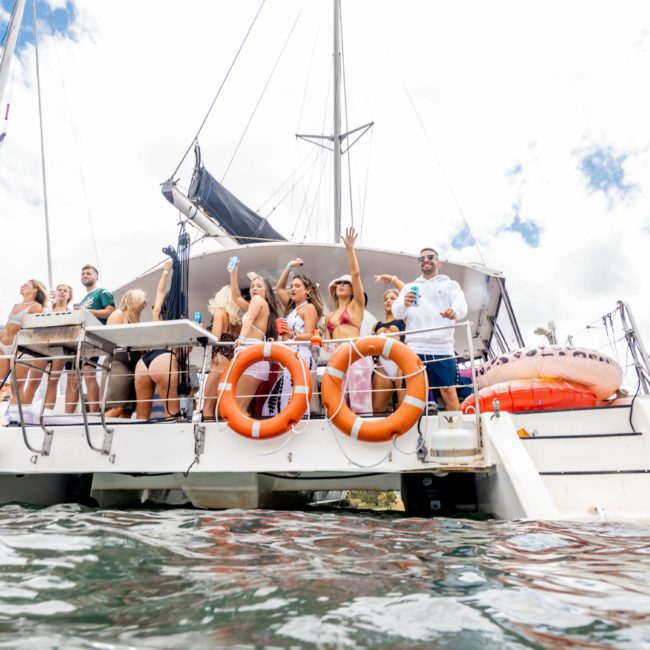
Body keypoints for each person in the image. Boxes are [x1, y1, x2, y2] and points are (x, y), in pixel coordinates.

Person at [392, 247, 468, 411]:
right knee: (413, 394)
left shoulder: (450, 285)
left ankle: (455, 431)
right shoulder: (409, 287)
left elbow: (461, 305)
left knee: (449, 392)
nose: (425, 260)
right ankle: (413, 434)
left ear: (438, 262)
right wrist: (404, 303)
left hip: (442, 347)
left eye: (430, 257)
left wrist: (454, 311)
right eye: (421, 258)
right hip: (415, 348)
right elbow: (397, 313)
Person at [265, 259, 324, 414]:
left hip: (302, 355)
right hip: (290, 355)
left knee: (297, 398)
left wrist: (291, 334)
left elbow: (310, 335)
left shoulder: (309, 308)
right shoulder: (292, 308)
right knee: (286, 399)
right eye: (292, 286)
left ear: (308, 291)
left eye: (297, 286)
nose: (293, 289)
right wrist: (288, 266)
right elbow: (279, 287)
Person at [324, 227, 373, 414]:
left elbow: (356, 275)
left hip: (356, 355)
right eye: (338, 283)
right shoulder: (330, 315)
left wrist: (350, 249)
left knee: (360, 401)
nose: (341, 285)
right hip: (337, 356)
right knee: (339, 400)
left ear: (353, 289)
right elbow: (327, 342)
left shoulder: (356, 306)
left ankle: (366, 433)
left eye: (345, 283)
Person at [229, 260, 279, 414]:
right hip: (252, 356)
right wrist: (233, 272)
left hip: (251, 354)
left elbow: (249, 319)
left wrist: (241, 340)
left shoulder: (258, 301)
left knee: (239, 406)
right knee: (241, 405)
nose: (254, 288)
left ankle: (244, 436)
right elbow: (236, 297)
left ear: (267, 291)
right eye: (252, 286)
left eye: (259, 286)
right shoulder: (260, 305)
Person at [134, 261, 180, 419]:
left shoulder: (157, 315)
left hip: (144, 363)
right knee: (171, 415)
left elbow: (159, 292)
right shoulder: (181, 323)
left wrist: (166, 272)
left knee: (141, 417)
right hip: (164, 359)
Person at [67, 264, 115, 413]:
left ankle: (95, 412)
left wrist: (87, 311)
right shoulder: (84, 299)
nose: (85, 275)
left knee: (89, 373)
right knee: (74, 376)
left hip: (94, 339)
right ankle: (68, 414)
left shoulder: (103, 292)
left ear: (96, 277)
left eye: (88, 273)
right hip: (80, 339)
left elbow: (110, 312)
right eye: (82, 273)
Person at [0, 280, 48, 404]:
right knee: (0, 383)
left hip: (20, 348)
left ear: (35, 290)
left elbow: (33, 332)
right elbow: (6, 327)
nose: (22, 285)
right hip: (4, 345)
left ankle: (16, 418)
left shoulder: (36, 307)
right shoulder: (15, 306)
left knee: (16, 386)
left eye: (26, 285)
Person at [104, 289, 147, 418]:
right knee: (116, 406)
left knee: (127, 409)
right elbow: (111, 340)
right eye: (141, 303)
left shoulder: (135, 319)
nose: (143, 306)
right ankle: (100, 432)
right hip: (118, 362)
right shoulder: (118, 314)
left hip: (133, 365)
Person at [202, 286, 242, 420]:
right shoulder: (237, 321)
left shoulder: (219, 312)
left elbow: (215, 338)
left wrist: (201, 331)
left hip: (219, 359)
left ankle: (208, 436)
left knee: (208, 405)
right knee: (221, 405)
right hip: (231, 362)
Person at [371, 288, 406, 414]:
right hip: (382, 365)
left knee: (403, 405)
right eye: (386, 299)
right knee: (377, 409)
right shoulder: (376, 325)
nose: (388, 301)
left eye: (392, 298)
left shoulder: (404, 320)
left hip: (400, 365)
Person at [44, 284, 74, 410]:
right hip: (43, 345)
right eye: (59, 290)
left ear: (69, 295)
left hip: (60, 347)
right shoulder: (47, 308)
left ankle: (47, 413)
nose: (61, 292)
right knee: (34, 380)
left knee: (53, 379)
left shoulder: (71, 312)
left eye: (65, 291)